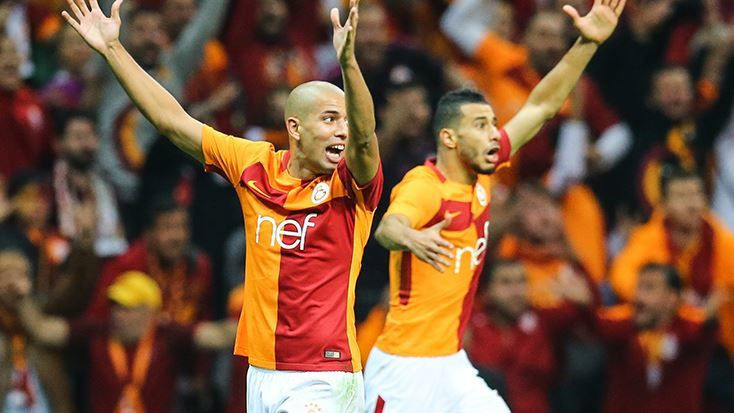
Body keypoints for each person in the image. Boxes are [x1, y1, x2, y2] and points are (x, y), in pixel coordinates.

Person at [61, 0, 382, 411]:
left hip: (324, 374)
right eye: (330, 119)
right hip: (261, 373)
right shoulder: (255, 164)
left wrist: (349, 65)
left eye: (346, 121)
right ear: (296, 128)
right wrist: (112, 50)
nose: (343, 131)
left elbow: (365, 139)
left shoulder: (351, 187)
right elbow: (172, 120)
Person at [365, 0, 626, 411]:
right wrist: (412, 238)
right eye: (480, 126)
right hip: (402, 367)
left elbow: (540, 106)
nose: (493, 135)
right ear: (449, 138)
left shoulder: (484, 172)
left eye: (493, 125)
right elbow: (388, 227)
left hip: (449, 362)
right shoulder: (424, 185)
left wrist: (586, 44)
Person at [13, 270, 236, 413]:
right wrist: (21, 299)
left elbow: (219, 336)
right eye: (116, 306)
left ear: (151, 311)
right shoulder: (98, 330)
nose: (119, 315)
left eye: (129, 308)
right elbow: (43, 331)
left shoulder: (168, 335)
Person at [466, 259, 593, 413]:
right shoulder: (469, 324)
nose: (516, 291)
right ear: (486, 290)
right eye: (506, 282)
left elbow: (589, 313)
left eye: (522, 282)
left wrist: (583, 295)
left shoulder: (544, 321)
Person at [597, 263, 725, 413]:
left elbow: (706, 332)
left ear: (672, 298)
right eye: (638, 288)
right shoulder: (622, 326)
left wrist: (710, 319)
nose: (638, 297)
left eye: (649, 288)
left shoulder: (690, 329)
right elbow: (592, 322)